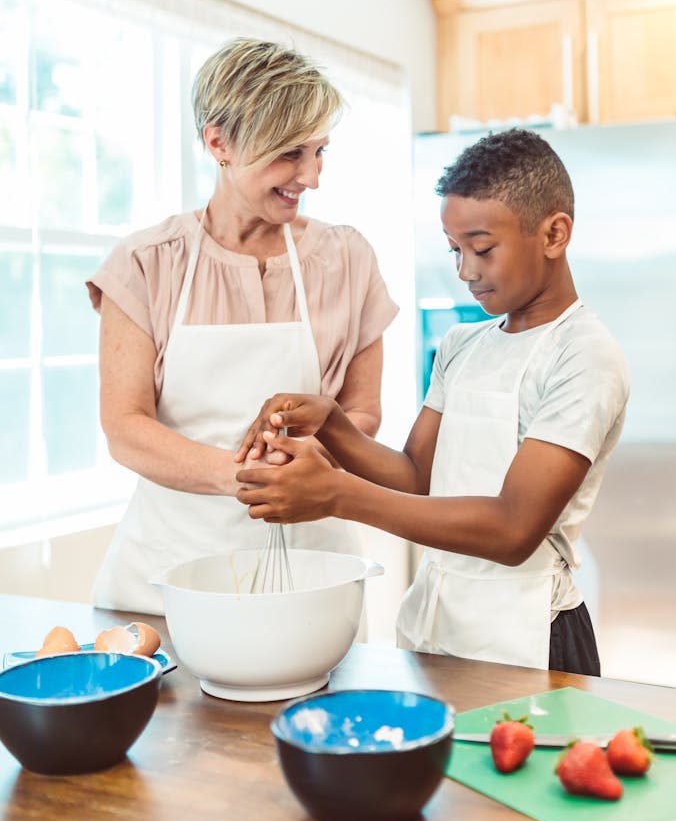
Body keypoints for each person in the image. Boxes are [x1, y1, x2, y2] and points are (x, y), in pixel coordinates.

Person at [234, 128, 629, 673]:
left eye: (483, 249)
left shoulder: (583, 354)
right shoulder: (462, 345)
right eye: (455, 250)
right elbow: (420, 477)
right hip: (440, 625)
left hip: (531, 635)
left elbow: (514, 530)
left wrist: (337, 496)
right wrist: (334, 426)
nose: (465, 271)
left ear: (555, 233)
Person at [86, 37, 398, 614]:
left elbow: (363, 412)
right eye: (289, 154)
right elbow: (125, 426)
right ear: (218, 142)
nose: (312, 176)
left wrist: (313, 465)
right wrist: (244, 477)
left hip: (314, 575)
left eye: (320, 151)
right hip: (166, 582)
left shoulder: (348, 258)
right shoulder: (147, 262)